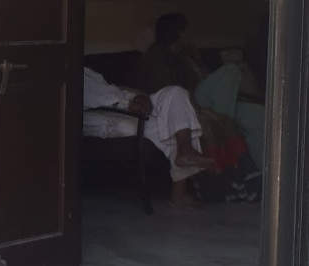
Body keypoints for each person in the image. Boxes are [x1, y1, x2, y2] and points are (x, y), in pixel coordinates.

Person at [140, 13, 264, 201]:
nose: (188, 36)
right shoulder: (157, 55)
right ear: (177, 33)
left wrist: (195, 58)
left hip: (214, 101)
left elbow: (204, 77)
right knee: (231, 70)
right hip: (191, 102)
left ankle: (264, 176)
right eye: (185, 32)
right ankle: (223, 121)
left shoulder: (186, 53)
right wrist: (196, 108)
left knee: (258, 114)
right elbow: (167, 93)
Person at [83, 67, 214, 208]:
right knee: (171, 123)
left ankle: (185, 150)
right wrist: (127, 103)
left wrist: (141, 97)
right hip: (106, 112)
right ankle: (179, 193)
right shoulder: (69, 73)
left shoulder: (86, 70)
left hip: (130, 102)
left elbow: (113, 88)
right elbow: (93, 96)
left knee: (176, 93)